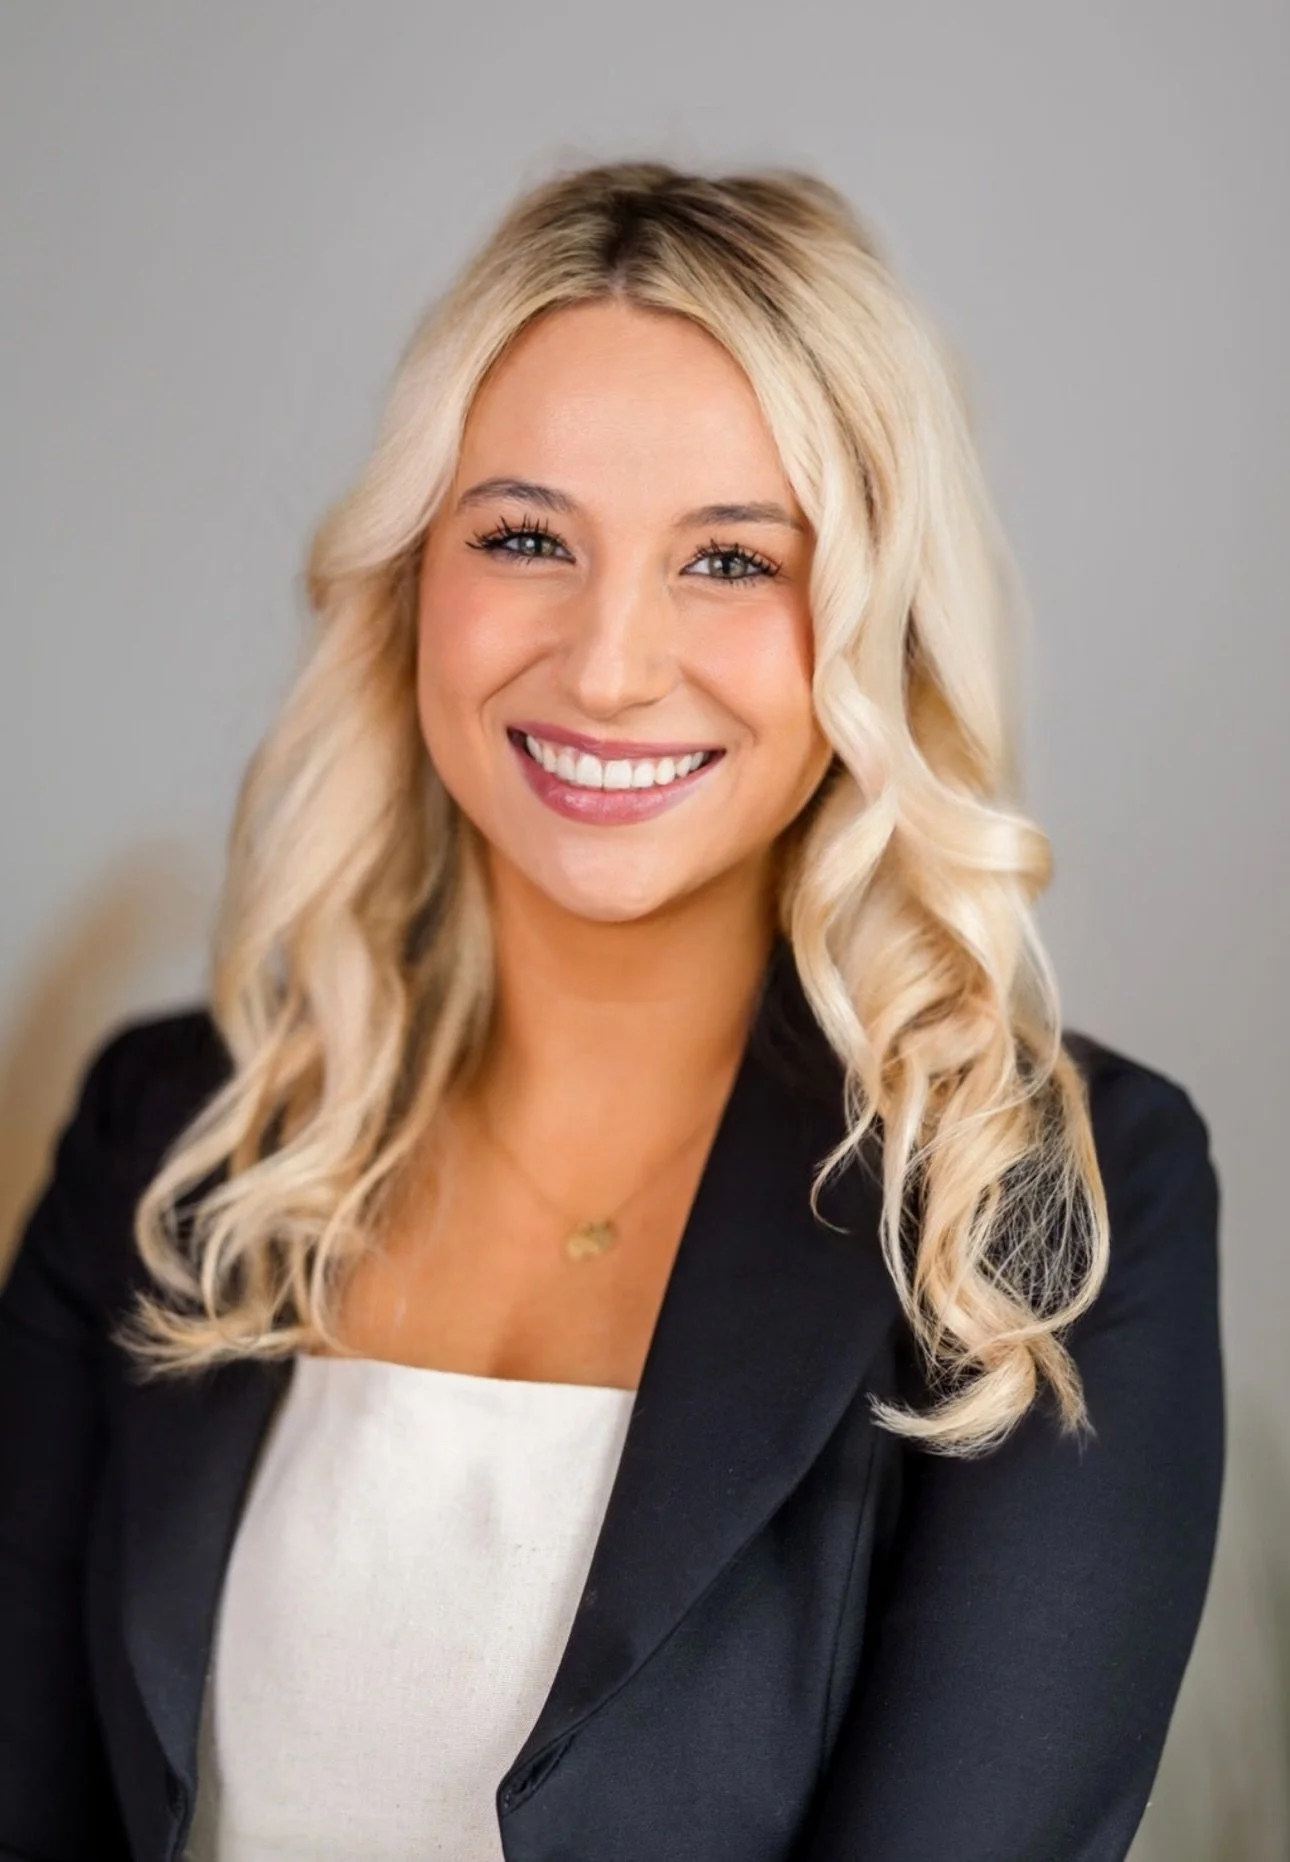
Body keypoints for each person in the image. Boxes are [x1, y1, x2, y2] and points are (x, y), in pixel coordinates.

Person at [0, 161, 1224, 1862]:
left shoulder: (1046, 1197)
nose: (606, 663)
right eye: (523, 538)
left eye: (730, 559)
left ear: (866, 627)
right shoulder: (169, 1133)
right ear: (412, 578)